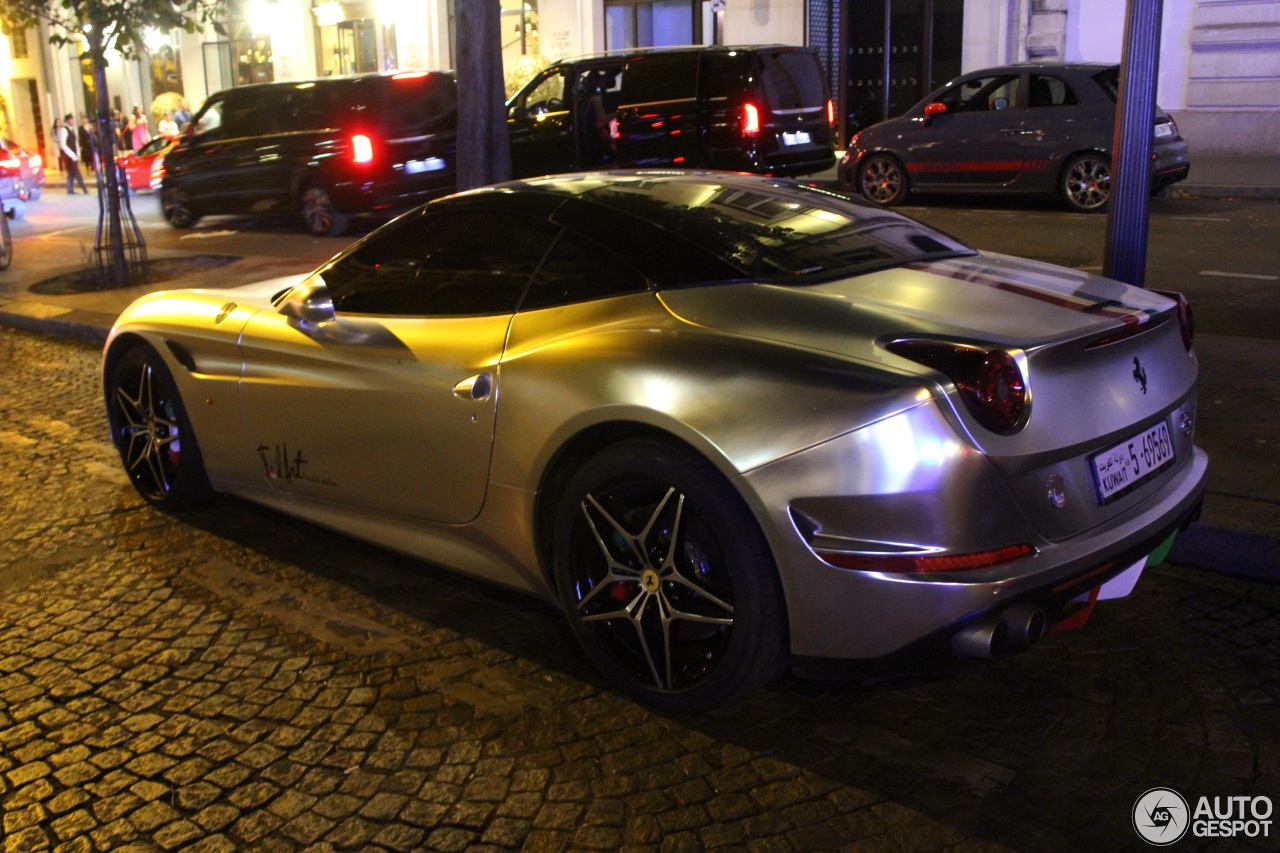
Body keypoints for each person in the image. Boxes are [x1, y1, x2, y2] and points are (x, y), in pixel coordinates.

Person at [54, 115, 88, 194]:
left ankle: (70, 189)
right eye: (72, 120)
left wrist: (78, 154)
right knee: (76, 172)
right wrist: (72, 155)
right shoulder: (64, 130)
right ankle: (83, 188)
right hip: (69, 156)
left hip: (74, 155)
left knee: (71, 173)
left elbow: (75, 143)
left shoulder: (72, 130)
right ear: (68, 121)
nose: (73, 121)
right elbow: (63, 144)